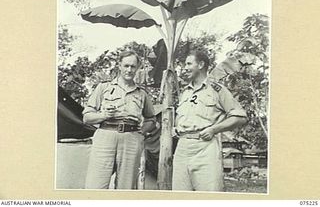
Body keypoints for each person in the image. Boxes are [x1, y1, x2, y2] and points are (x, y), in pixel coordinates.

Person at [173, 50, 247, 191]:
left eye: (189, 64)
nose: (185, 67)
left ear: (201, 64)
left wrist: (214, 129)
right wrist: (177, 128)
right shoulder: (185, 92)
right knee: (180, 195)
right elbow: (181, 117)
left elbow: (240, 117)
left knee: (209, 195)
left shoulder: (217, 90)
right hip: (182, 148)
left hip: (205, 148)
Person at [83, 50, 156, 189]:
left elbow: (151, 119)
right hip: (105, 137)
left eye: (133, 66)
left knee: (125, 188)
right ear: (119, 66)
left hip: (131, 140)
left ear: (137, 68)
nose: (129, 70)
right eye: (126, 65)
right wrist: (104, 116)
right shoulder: (104, 87)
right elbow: (87, 117)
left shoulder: (142, 94)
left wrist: (141, 133)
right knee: (95, 186)